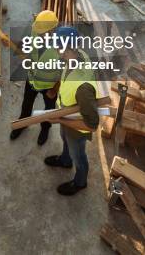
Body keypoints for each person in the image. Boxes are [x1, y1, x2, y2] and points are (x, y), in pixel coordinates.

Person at [44, 27, 100, 196]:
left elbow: (92, 125)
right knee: (64, 139)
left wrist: (60, 119)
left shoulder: (83, 87)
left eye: (57, 47)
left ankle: (80, 182)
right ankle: (65, 160)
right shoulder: (76, 54)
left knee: (79, 156)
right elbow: (65, 76)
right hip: (67, 115)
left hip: (78, 126)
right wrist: (55, 90)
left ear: (67, 49)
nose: (55, 49)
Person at [10, 10, 61, 146]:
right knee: (26, 104)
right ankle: (23, 123)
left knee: (48, 110)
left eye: (41, 32)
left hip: (49, 86)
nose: (38, 34)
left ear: (52, 31)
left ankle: (45, 128)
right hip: (32, 79)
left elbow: (66, 72)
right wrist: (11, 43)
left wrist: (55, 90)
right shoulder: (35, 31)